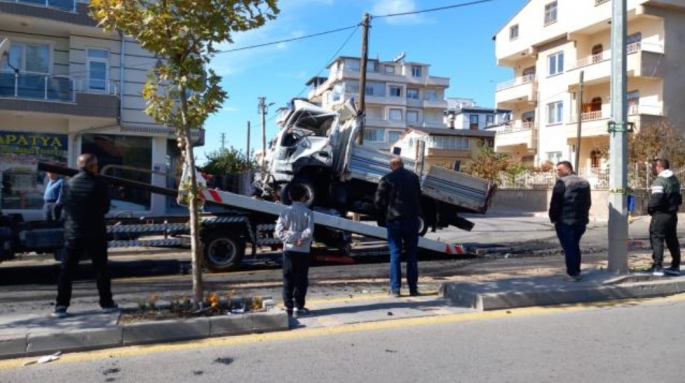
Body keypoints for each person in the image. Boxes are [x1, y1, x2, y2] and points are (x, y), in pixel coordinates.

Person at [52, 154, 117, 318]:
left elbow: (65, 205)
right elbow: (105, 208)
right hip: (96, 232)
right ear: (92, 167)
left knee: (67, 270)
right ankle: (106, 303)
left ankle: (61, 305)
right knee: (101, 268)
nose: (98, 168)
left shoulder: (68, 184)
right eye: (96, 165)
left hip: (74, 232)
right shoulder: (100, 185)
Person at [374, 155, 422, 297]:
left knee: (395, 254)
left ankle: (395, 290)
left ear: (391, 166)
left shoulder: (386, 178)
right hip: (412, 220)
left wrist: (384, 210)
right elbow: (418, 197)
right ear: (402, 165)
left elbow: (377, 202)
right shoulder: (414, 177)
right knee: (412, 255)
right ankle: (413, 289)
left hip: (394, 221)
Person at [275, 183, 315, 318]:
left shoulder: (285, 211)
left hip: (288, 250)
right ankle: (299, 306)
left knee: (288, 278)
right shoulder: (309, 212)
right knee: (301, 279)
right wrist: (300, 238)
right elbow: (309, 231)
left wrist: (290, 239)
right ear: (304, 197)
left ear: (290, 196)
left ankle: (288, 307)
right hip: (303, 250)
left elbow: (278, 231)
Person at [548, 161, 592, 282]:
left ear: (568, 169)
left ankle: (572, 273)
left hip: (565, 221)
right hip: (581, 221)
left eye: (560, 170)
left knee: (569, 247)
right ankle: (576, 270)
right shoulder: (584, 182)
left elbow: (555, 203)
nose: (558, 172)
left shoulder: (562, 182)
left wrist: (554, 218)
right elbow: (588, 202)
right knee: (574, 246)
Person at [647, 158, 682, 276]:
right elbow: (679, 198)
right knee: (672, 239)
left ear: (659, 167)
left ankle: (658, 266)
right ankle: (675, 266)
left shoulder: (659, 181)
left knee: (657, 238)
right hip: (672, 215)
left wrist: (650, 209)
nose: (652, 168)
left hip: (660, 215)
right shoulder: (674, 180)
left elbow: (656, 199)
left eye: (653, 166)